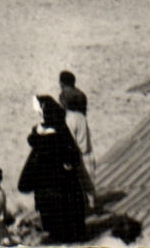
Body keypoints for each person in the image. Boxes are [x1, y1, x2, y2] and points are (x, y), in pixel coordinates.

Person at [18, 96, 89, 245]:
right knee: (66, 208)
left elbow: (34, 140)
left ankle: (57, 235)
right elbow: (72, 155)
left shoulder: (40, 134)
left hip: (45, 179)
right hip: (62, 179)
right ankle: (70, 234)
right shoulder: (61, 131)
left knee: (51, 209)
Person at [58, 72, 96, 204]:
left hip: (78, 158)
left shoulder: (69, 120)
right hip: (88, 154)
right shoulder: (82, 118)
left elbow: (70, 143)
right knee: (90, 190)